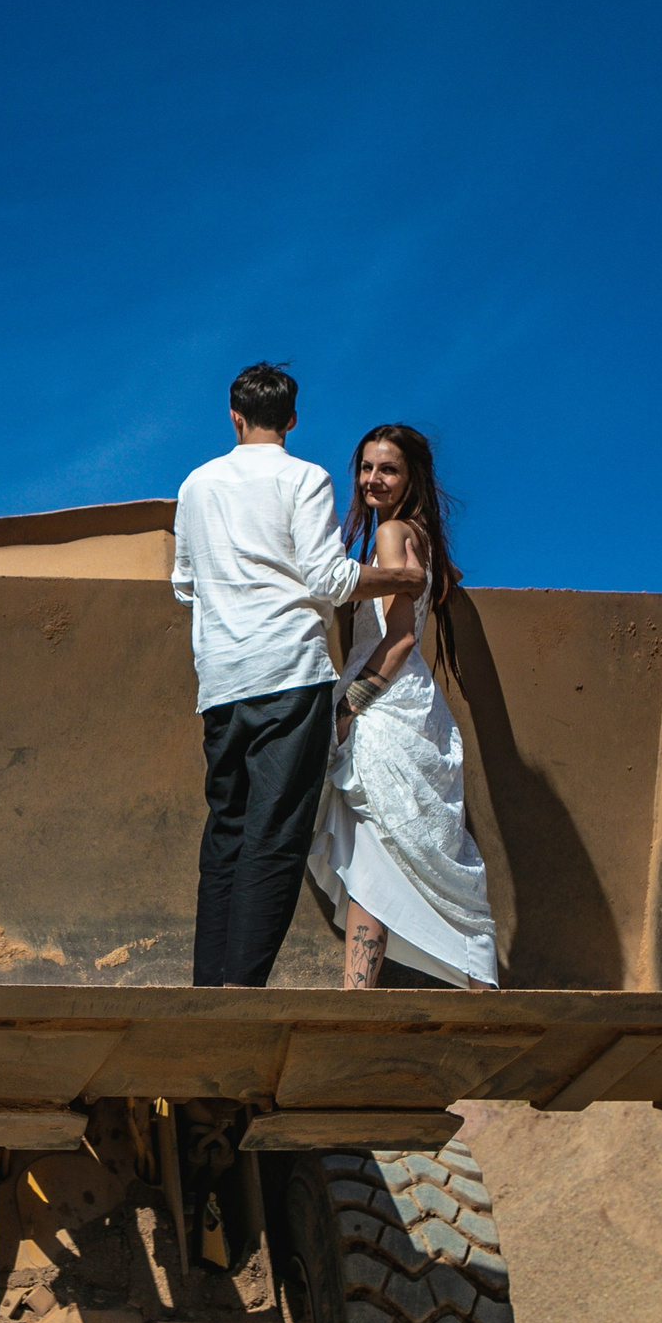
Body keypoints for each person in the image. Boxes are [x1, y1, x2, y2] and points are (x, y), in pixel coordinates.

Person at [173, 364, 426, 987]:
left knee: (226, 831)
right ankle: (241, 991)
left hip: (221, 682)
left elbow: (184, 585)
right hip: (289, 674)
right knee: (275, 836)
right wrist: (403, 579)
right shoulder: (305, 478)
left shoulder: (196, 484)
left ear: (235, 417)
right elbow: (328, 579)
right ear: (290, 420)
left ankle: (209, 989)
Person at [310, 424, 501, 990]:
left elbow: (399, 638)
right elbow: (442, 582)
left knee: (373, 851)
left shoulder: (392, 533)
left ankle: (355, 991)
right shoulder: (415, 536)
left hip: (385, 705)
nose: (372, 479)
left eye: (387, 469)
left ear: (411, 476)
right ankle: (456, 981)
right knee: (389, 851)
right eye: (366, 468)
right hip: (414, 704)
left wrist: (350, 709)